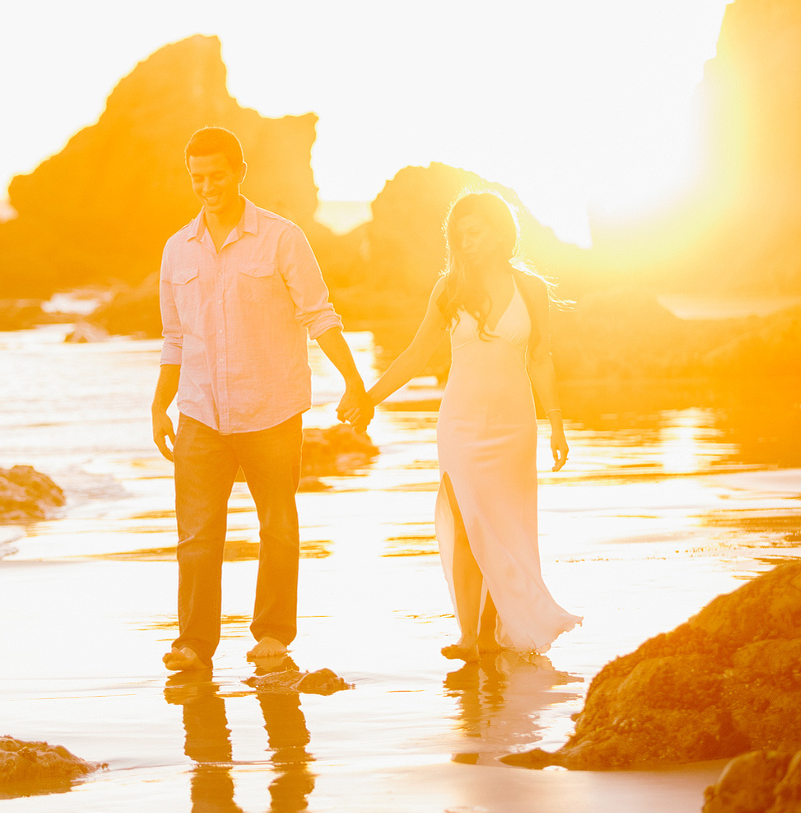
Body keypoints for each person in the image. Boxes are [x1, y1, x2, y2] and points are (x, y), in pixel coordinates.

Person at [152, 126, 372, 671]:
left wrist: (354, 380)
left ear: (239, 171)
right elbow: (174, 338)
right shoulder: (177, 250)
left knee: (277, 524)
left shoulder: (281, 238)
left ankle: (272, 634)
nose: (207, 187)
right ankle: (193, 645)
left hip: (271, 407)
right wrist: (159, 405)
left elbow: (318, 314)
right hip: (200, 410)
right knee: (198, 533)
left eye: (217, 175)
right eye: (197, 177)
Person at [358, 191, 581, 662]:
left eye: (475, 232)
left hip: (514, 426)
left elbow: (540, 359)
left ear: (501, 233)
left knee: (505, 526)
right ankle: (467, 634)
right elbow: (417, 355)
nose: (467, 242)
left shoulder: (532, 290)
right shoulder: (450, 288)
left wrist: (556, 425)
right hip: (460, 423)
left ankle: (492, 629)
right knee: (465, 524)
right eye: (459, 235)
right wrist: (368, 397)